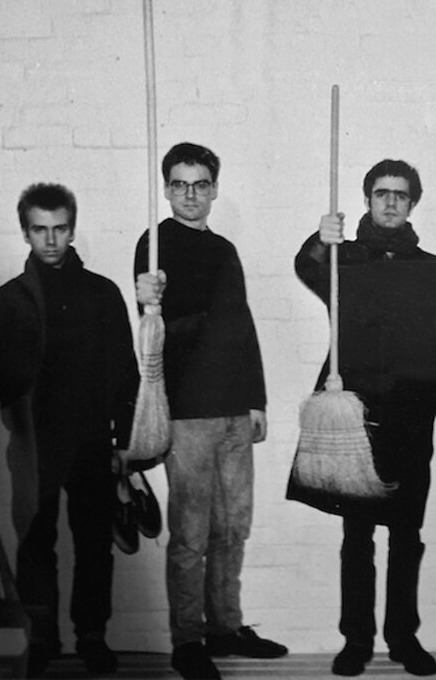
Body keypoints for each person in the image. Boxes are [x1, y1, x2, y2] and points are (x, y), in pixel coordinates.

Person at [290, 159, 436, 677]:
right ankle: (357, 641)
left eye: (400, 194)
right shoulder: (343, 261)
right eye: (381, 193)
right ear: (367, 199)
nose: (390, 202)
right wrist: (320, 239)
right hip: (355, 420)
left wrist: (432, 398)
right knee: (357, 537)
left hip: (411, 419)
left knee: (406, 535)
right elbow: (307, 267)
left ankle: (403, 638)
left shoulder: (435, 270)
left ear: (413, 204)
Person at [0, 183, 139, 677]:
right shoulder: (8, 301)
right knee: (35, 541)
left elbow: (126, 374)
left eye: (59, 228)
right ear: (25, 232)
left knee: (94, 543)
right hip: (34, 442)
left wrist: (125, 442)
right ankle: (41, 638)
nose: (51, 240)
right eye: (40, 229)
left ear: (72, 229)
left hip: (92, 440)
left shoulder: (102, 294)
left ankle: (92, 636)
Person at [134, 142, 287, 680]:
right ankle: (187, 640)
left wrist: (256, 400)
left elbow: (241, 324)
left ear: (215, 189)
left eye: (200, 184)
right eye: (179, 184)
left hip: (234, 411)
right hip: (188, 413)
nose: (190, 194)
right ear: (167, 189)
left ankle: (225, 626)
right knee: (191, 534)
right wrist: (147, 298)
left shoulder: (224, 249)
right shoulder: (154, 245)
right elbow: (154, 327)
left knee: (232, 527)